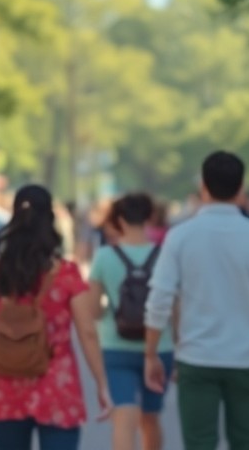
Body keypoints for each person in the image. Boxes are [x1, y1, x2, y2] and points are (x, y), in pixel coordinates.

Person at [144, 151, 249, 450]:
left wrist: (151, 353)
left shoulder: (179, 237)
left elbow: (159, 300)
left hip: (196, 359)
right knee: (247, 443)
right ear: (241, 190)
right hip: (248, 359)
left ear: (203, 187)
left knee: (199, 444)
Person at [0, 184, 111, 450]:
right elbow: (88, 332)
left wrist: (13, 349)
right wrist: (102, 383)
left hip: (6, 387)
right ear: (50, 219)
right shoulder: (67, 273)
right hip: (58, 387)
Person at [88, 192, 173, 450]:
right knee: (150, 419)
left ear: (119, 220)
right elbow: (176, 307)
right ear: (150, 218)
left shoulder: (104, 256)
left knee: (124, 420)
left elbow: (93, 310)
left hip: (116, 347)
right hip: (161, 347)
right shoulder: (166, 255)